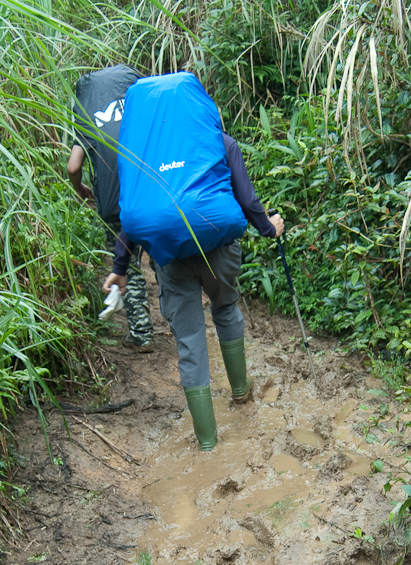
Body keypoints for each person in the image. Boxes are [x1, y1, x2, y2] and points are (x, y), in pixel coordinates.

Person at [103, 133, 285, 450]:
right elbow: (246, 198)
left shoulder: (142, 153)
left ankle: (207, 445)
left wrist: (120, 267)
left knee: (189, 340)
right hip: (218, 247)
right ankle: (241, 392)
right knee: (226, 309)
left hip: (171, 259)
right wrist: (268, 227)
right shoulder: (218, 141)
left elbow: (132, 216)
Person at [68, 68, 154, 352]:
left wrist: (80, 189)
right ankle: (178, 318)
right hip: (148, 195)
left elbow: (73, 167)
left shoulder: (88, 116)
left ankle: (142, 334)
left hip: (112, 203)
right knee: (160, 256)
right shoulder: (137, 109)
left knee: (126, 264)